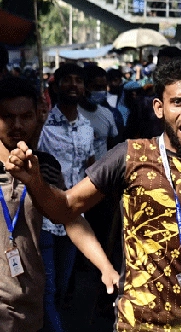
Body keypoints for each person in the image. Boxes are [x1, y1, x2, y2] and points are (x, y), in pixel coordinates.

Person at [6, 58, 181, 331]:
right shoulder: (130, 156)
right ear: (159, 108)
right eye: (178, 102)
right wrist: (35, 182)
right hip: (139, 321)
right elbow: (66, 208)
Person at [0, 77, 119, 332]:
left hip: (28, 304)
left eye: (26, 116)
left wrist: (105, 267)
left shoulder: (45, 167)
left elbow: (68, 216)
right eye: (7, 117)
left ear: (38, 117)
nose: (17, 125)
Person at [36, 64, 96, 332]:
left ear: (85, 88)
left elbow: (90, 167)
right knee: (47, 289)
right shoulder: (42, 124)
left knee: (60, 287)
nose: (73, 85)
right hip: (44, 218)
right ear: (57, 85)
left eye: (78, 81)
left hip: (73, 220)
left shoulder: (87, 127)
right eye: (67, 80)